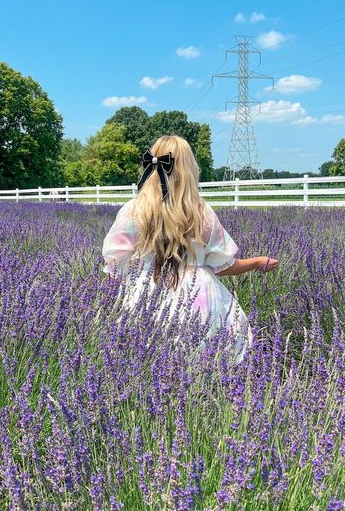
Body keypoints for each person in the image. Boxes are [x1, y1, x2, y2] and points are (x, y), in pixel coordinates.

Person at [101, 135, 278, 364]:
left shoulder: (134, 210)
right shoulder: (200, 213)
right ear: (188, 169)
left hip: (145, 297)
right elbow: (223, 266)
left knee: (143, 364)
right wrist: (256, 263)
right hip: (199, 301)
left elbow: (115, 263)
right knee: (208, 364)